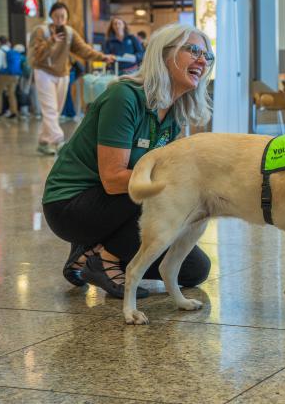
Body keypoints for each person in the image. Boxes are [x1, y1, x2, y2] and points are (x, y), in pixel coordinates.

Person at [42, 23, 214, 298]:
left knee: (194, 269)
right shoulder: (124, 97)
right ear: (164, 55)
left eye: (207, 56)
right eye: (193, 50)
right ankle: (103, 258)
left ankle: (88, 252)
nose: (202, 60)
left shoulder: (172, 114)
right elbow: (112, 180)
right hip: (72, 205)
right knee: (164, 189)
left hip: (120, 205)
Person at [29, 2, 114, 155]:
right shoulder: (41, 31)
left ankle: (44, 141)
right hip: (43, 72)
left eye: (63, 16)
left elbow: (83, 49)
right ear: (51, 17)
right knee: (49, 109)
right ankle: (60, 141)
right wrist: (51, 41)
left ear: (67, 18)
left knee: (55, 111)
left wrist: (102, 57)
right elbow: (35, 55)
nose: (60, 20)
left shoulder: (69, 32)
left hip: (63, 73)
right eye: (56, 16)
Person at [0, 35, 22, 119]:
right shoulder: (11, 50)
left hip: (4, 75)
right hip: (15, 74)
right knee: (11, 93)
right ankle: (14, 111)